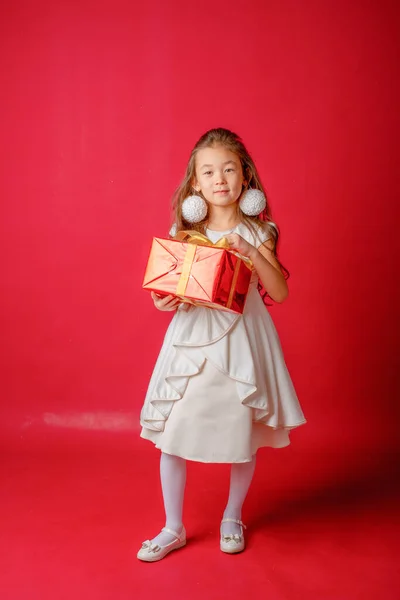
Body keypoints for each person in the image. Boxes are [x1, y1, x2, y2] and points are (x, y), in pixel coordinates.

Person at [137, 128, 306, 562]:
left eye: (229, 169)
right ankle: (172, 526)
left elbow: (280, 293)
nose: (219, 179)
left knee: (240, 434)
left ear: (245, 176)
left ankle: (233, 516)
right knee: (172, 433)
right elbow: (171, 292)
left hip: (243, 341)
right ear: (195, 182)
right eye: (208, 171)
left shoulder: (260, 229)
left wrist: (250, 250)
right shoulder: (184, 231)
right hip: (192, 341)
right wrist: (163, 299)